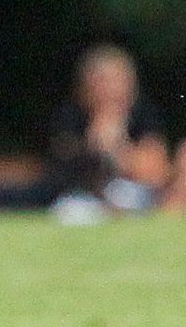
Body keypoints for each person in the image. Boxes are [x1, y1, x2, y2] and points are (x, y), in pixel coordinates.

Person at [46, 44, 170, 209]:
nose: (111, 90)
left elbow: (156, 172)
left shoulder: (143, 115)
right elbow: (68, 170)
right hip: (85, 197)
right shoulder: (70, 118)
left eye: (117, 81)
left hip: (135, 195)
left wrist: (117, 148)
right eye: (102, 82)